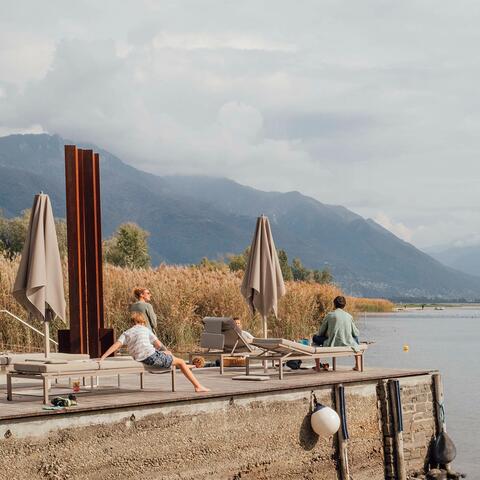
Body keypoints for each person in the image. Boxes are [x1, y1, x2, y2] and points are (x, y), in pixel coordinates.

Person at [100, 312, 210, 393]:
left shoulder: (127, 333)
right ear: (143, 322)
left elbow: (116, 345)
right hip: (151, 357)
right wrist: (167, 352)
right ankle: (197, 386)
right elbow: (159, 345)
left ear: (132, 323)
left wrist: (103, 357)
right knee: (180, 361)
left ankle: (190, 366)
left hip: (143, 357)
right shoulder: (145, 329)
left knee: (172, 360)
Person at [312, 295, 361, 371]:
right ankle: (358, 365)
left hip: (332, 343)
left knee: (315, 338)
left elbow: (321, 332)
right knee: (356, 338)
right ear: (344, 305)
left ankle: (318, 367)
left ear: (334, 304)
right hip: (347, 343)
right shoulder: (349, 316)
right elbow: (356, 333)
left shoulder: (330, 315)